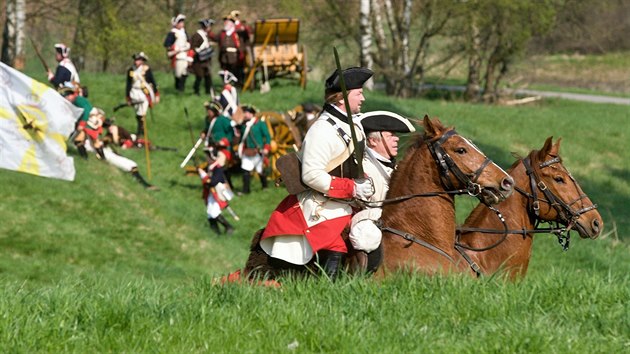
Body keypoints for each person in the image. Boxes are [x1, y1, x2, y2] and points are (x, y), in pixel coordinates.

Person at [258, 67, 374, 280]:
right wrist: (352, 187)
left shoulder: (354, 126)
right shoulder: (322, 131)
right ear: (342, 99)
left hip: (348, 202)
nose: (363, 98)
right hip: (320, 206)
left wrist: (363, 183)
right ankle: (327, 289)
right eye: (359, 93)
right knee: (334, 240)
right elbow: (311, 176)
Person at [349, 110, 415, 273]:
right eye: (390, 135)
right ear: (372, 141)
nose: (396, 139)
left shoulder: (395, 166)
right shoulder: (363, 167)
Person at [58, 83, 105, 160]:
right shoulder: (75, 100)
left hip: (90, 121)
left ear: (70, 95)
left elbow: (86, 110)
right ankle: (85, 158)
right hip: (88, 121)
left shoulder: (78, 100)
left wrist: (82, 124)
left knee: (94, 141)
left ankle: (101, 158)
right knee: (79, 140)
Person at [198, 138, 235, 234]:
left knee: (213, 212)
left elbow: (214, 181)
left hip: (218, 193)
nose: (206, 158)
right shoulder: (211, 167)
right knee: (210, 214)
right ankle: (216, 233)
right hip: (212, 193)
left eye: (207, 156)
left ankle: (229, 227)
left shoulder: (217, 168)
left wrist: (204, 176)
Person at [237, 105, 271, 194]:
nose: (245, 115)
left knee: (260, 171)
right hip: (247, 151)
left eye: (247, 113)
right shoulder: (243, 125)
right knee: (245, 171)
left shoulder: (260, 124)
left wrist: (266, 148)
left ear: (252, 114)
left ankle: (265, 186)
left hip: (257, 151)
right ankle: (246, 190)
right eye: (244, 113)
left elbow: (267, 137)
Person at [125, 52, 159, 137]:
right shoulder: (131, 70)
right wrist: (128, 97)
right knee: (137, 113)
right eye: (136, 60)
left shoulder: (146, 69)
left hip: (143, 92)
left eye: (138, 60)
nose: (136, 61)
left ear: (142, 61)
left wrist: (156, 94)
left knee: (142, 113)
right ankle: (141, 129)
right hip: (134, 92)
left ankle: (140, 131)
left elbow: (152, 81)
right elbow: (128, 84)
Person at [163, 14, 192, 92]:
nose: (182, 24)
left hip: (185, 55)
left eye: (182, 22)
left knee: (185, 73)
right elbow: (167, 44)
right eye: (180, 22)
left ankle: (181, 89)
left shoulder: (184, 32)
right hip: (177, 56)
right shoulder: (172, 33)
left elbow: (189, 41)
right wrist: (174, 49)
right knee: (178, 74)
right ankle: (178, 88)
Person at [190, 18, 216, 96]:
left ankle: (208, 91)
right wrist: (200, 50)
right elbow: (193, 47)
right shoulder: (197, 35)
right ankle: (196, 91)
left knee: (208, 76)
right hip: (198, 59)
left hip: (206, 59)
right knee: (199, 76)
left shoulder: (206, 35)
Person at [218, 14, 244, 85]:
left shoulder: (236, 32)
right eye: (225, 22)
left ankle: (237, 84)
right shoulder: (222, 33)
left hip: (234, 56)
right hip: (224, 56)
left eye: (228, 22)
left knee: (235, 71)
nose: (226, 23)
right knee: (226, 72)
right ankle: (226, 85)